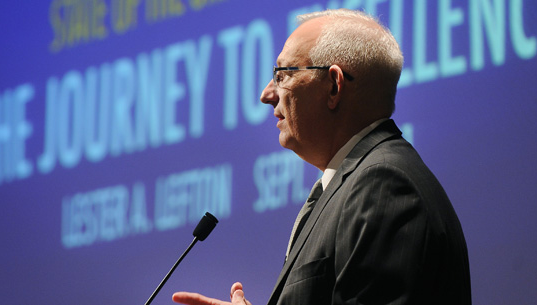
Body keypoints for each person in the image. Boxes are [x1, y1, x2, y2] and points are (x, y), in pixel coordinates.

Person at [173, 8, 471, 305]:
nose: (266, 94)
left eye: (281, 74)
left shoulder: (383, 186)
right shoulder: (356, 182)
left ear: (333, 86)